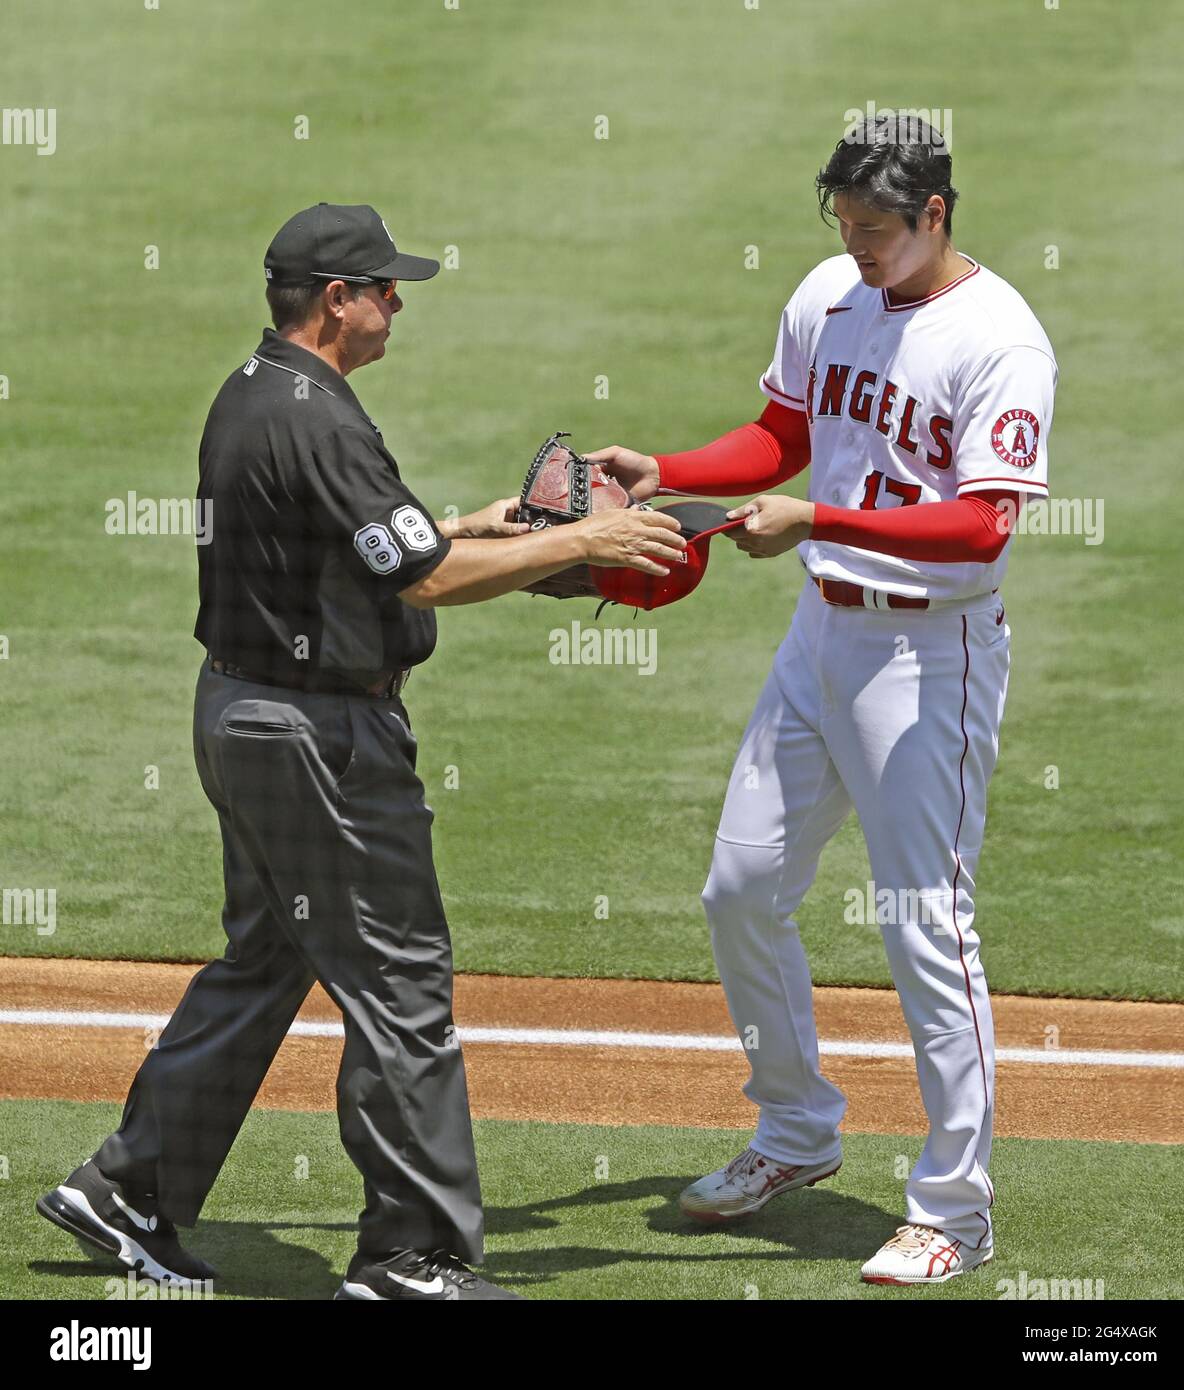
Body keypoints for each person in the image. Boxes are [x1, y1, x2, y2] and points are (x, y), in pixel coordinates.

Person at [36, 202, 685, 1302]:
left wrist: (479, 527)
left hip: (246, 715)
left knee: (269, 959)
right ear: (335, 299)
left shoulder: (262, 391)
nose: (396, 305)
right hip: (313, 739)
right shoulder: (319, 419)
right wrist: (584, 540)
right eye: (385, 289)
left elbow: (375, 544)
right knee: (399, 984)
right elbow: (418, 579)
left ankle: (130, 1187)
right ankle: (410, 1258)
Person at [589, 114, 1055, 1285]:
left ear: (936, 214)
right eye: (843, 225)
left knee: (922, 926)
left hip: (929, 660)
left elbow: (983, 525)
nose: (856, 248)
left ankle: (954, 1206)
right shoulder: (830, 295)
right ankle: (794, 1132)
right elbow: (786, 432)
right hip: (821, 640)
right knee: (741, 886)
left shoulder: (1000, 339)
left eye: (878, 231)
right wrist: (674, 471)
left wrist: (821, 519)